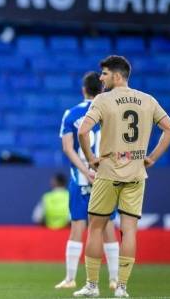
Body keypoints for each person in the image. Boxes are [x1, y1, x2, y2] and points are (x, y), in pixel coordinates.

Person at [73, 55, 170, 298]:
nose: (100, 78)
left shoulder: (103, 99)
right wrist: (151, 158)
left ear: (117, 76)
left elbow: (83, 131)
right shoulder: (147, 100)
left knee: (96, 227)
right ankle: (121, 288)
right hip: (136, 172)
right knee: (129, 230)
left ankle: (92, 285)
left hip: (108, 170)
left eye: (105, 73)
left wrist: (91, 158)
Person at [56, 72, 119, 291]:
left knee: (77, 226)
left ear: (84, 89)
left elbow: (67, 148)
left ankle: (70, 278)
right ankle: (113, 279)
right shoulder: (111, 112)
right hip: (106, 175)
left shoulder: (71, 113)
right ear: (102, 90)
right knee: (108, 226)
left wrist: (86, 168)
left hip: (81, 176)